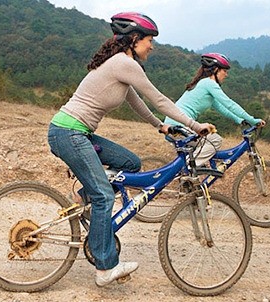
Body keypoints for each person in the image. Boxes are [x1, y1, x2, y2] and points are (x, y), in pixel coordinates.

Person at [47, 12, 215, 287]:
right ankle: (105, 268)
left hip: (79, 133)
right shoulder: (124, 63)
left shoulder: (120, 66)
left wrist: (161, 127)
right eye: (150, 40)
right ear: (135, 39)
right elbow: (159, 98)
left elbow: (135, 100)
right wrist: (195, 125)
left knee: (130, 163)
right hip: (68, 133)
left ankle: (82, 199)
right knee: (104, 197)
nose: (152, 46)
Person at [164, 53, 265, 167]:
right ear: (216, 70)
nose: (226, 75)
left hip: (174, 124)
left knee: (204, 146)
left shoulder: (204, 84)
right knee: (215, 140)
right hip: (179, 126)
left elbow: (223, 109)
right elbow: (230, 104)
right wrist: (252, 120)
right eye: (224, 71)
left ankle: (190, 171)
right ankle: (187, 168)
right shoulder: (209, 83)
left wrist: (240, 120)